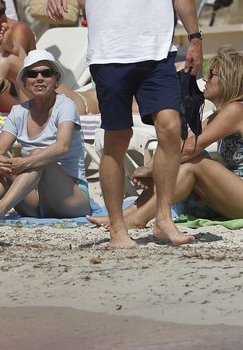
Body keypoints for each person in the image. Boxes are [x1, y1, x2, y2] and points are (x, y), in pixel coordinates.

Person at [47, 0, 203, 248]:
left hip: (156, 52)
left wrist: (195, 37)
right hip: (110, 54)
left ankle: (163, 218)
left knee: (171, 128)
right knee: (116, 138)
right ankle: (118, 227)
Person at [88, 46, 243, 229]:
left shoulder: (237, 110)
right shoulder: (221, 114)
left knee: (194, 162)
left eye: (212, 74)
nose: (205, 79)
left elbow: (190, 148)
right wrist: (151, 167)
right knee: (173, 159)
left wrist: (151, 170)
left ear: (229, 80)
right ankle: (126, 214)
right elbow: (182, 143)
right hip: (232, 194)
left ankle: (138, 219)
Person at [0, 49, 91, 220]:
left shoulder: (65, 106)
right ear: (24, 82)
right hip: (34, 196)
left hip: (71, 197)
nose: (39, 78)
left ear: (56, 79)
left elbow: (62, 146)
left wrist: (24, 162)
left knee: (37, 155)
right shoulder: (18, 112)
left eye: (46, 73)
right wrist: (0, 162)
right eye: (32, 74)